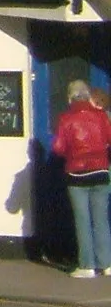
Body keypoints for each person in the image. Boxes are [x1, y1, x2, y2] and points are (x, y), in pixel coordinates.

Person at [51, 79, 111, 276]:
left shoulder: (66, 119)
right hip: (101, 172)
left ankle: (87, 266)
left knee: (83, 220)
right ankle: (107, 264)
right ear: (87, 96)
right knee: (101, 220)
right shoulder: (101, 116)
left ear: (70, 97)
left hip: (77, 175)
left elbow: (58, 148)